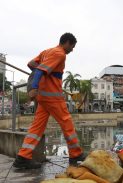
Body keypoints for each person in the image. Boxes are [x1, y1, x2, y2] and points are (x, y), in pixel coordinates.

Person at [13, 33, 85, 169]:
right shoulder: (60, 54)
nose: (72, 50)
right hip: (52, 96)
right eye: (72, 46)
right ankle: (76, 154)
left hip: (43, 97)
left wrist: (46, 72)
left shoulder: (47, 52)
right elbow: (39, 70)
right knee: (66, 122)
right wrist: (33, 86)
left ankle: (23, 157)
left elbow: (32, 64)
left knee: (37, 127)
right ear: (67, 43)